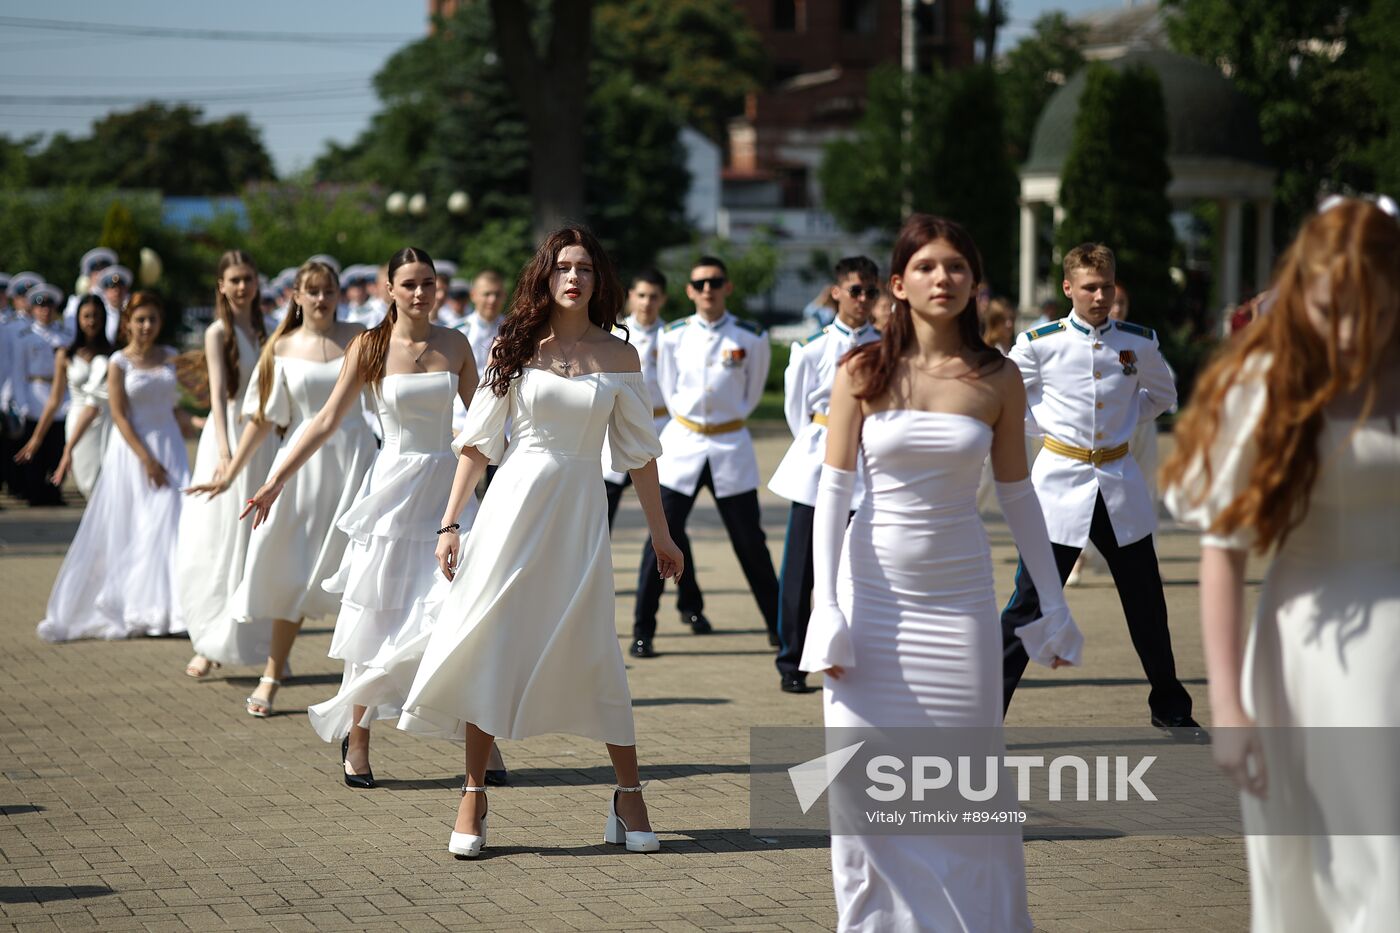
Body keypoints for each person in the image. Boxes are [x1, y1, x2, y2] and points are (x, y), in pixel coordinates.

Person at [800, 215, 1081, 931]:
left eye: (956, 266)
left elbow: (1019, 495)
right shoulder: (860, 370)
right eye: (926, 266)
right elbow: (832, 491)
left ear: (974, 283)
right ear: (898, 284)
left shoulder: (998, 377)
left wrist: (1053, 602)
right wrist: (824, 607)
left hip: (959, 607)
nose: (942, 278)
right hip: (870, 602)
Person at [398, 226, 681, 859]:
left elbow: (640, 456)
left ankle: (628, 794)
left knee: (594, 647)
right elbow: (478, 443)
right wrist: (449, 523)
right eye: (562, 267)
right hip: (510, 512)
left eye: (584, 268)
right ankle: (474, 793)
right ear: (545, 277)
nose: (573, 277)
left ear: (599, 280)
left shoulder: (621, 357)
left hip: (579, 516)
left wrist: (662, 536)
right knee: (489, 639)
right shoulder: (514, 346)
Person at [1162, 196, 1400, 932]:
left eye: (1373, 310)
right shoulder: (1268, 382)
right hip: (1317, 650)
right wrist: (1228, 707)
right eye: (1332, 311)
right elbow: (1223, 552)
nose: (1351, 332)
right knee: (1351, 865)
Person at [225, 248, 488, 784]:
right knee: (377, 614)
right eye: (409, 284)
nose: (421, 293)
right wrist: (275, 481)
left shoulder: (456, 343)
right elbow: (324, 421)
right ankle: (359, 734)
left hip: (447, 491)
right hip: (391, 493)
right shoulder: (368, 345)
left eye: (428, 283)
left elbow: (485, 423)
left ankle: (476, 738)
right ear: (389, 289)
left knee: (456, 612)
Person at [999, 243, 1199, 736]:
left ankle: (1170, 706)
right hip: (1059, 487)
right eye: (1089, 287)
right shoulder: (1039, 343)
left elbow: (1163, 396)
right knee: (1030, 603)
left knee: (1146, 601)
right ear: (1068, 288)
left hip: (1118, 485)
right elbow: (1006, 399)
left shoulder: (1138, 342)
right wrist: (1046, 430)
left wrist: (1125, 421)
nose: (1100, 296)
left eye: (1106, 286)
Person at [198, 261, 376, 717]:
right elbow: (262, 419)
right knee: (295, 569)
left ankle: (366, 685)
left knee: (364, 570)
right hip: (300, 469)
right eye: (312, 291)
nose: (321, 299)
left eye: (329, 290)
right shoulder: (280, 347)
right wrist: (232, 471)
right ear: (296, 295)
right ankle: (272, 675)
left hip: (356, 461)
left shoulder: (361, 336)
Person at [631, 256, 780, 656]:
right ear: (689, 291)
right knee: (660, 538)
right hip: (684, 443)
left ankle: (781, 629)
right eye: (700, 284)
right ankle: (643, 630)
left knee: (751, 543)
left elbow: (752, 392)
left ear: (727, 287)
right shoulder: (674, 336)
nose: (708, 289)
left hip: (731, 445)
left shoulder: (750, 337)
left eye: (715, 282)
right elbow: (669, 387)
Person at [37, 293, 193, 641]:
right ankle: (136, 606)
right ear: (128, 324)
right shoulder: (118, 362)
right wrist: (147, 459)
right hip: (134, 451)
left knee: (172, 522)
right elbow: (120, 416)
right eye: (140, 320)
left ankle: (172, 608)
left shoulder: (171, 356)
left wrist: (201, 423)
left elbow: (180, 405)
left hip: (170, 446)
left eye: (152, 319)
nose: (147, 326)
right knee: (141, 523)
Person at [768, 256, 880, 694]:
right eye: (855, 290)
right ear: (836, 292)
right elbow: (797, 411)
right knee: (801, 568)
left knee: (866, 564)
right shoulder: (812, 347)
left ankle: (858, 653)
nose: (863, 299)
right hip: (819, 461)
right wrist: (822, 443)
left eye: (870, 291)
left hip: (868, 464)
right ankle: (792, 660)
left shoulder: (887, 345)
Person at [177, 251, 278, 680]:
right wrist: (223, 450)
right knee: (218, 540)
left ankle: (263, 646)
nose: (241, 287)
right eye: (234, 279)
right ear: (221, 285)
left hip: (265, 439)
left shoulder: (269, 329)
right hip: (229, 437)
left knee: (256, 544)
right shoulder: (217, 332)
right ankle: (207, 641)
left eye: (248, 278)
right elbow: (217, 395)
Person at [15, 294, 113, 498]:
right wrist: (37, 438)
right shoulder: (66, 354)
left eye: (96, 315)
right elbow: (54, 400)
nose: (92, 321)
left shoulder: (113, 353)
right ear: (78, 319)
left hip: (107, 422)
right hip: (78, 423)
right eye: (86, 316)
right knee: (88, 485)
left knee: (109, 485)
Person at [10, 285, 71, 505]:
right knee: (34, 453)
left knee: (56, 449)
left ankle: (54, 492)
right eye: (40, 306)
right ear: (33, 309)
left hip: (59, 395)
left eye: (49, 306)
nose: (45, 310)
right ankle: (35, 492)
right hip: (34, 394)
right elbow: (18, 373)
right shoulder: (25, 337)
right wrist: (22, 402)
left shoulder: (64, 336)